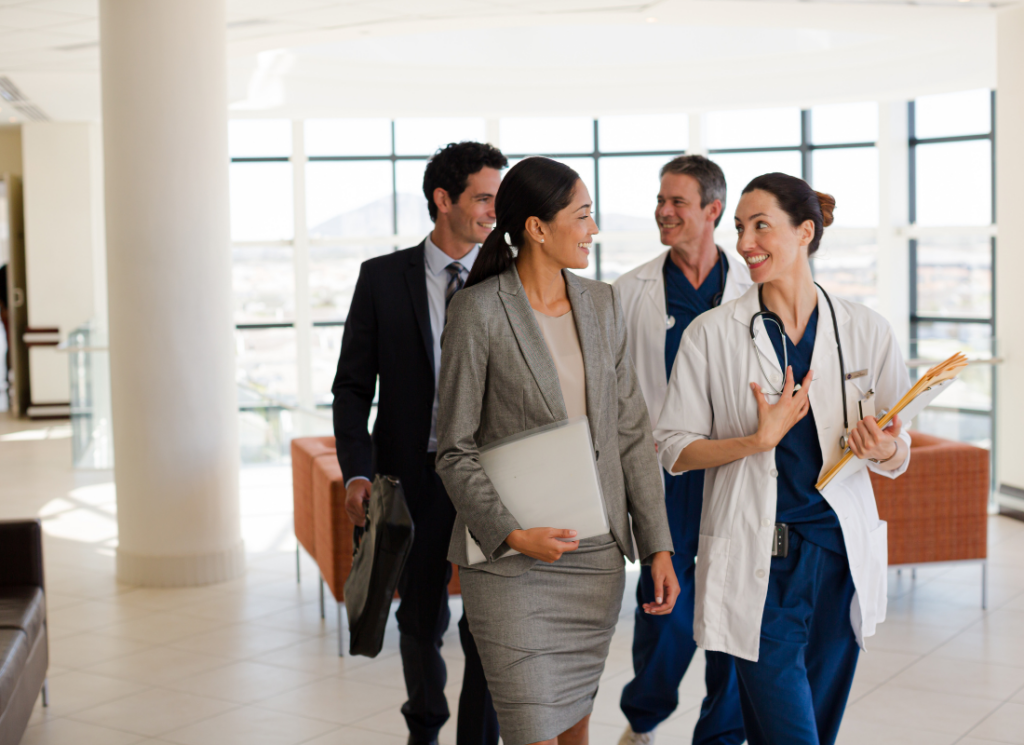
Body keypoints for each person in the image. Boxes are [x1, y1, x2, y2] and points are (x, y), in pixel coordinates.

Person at [654, 172, 912, 745]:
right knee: (792, 734)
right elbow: (672, 446)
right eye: (741, 227)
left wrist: (885, 447)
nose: (745, 242)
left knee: (816, 729)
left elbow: (900, 445)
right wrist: (755, 440)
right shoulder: (712, 334)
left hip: (837, 559)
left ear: (805, 232)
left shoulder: (865, 329)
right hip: (757, 561)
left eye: (761, 226)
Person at [435, 156, 680, 745]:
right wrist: (512, 533)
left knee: (573, 730)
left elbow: (629, 433)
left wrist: (658, 547)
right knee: (532, 732)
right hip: (512, 566)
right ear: (537, 228)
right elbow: (453, 449)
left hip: (594, 563)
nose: (593, 230)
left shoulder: (600, 303)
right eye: (583, 215)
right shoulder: (478, 311)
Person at [332, 141, 506, 745]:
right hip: (413, 478)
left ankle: (478, 738)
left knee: (486, 625)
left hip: (489, 480)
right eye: (483, 198)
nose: (494, 210)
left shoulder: (506, 276)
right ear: (443, 200)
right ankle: (425, 727)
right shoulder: (381, 279)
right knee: (419, 618)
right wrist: (357, 474)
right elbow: (352, 388)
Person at [614, 155, 751, 745]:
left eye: (678, 203)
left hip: (734, 470)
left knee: (731, 610)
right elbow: (611, 389)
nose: (663, 212)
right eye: (660, 201)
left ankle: (720, 735)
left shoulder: (753, 285)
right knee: (663, 615)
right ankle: (643, 718)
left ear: (712, 211)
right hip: (665, 476)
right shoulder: (630, 291)